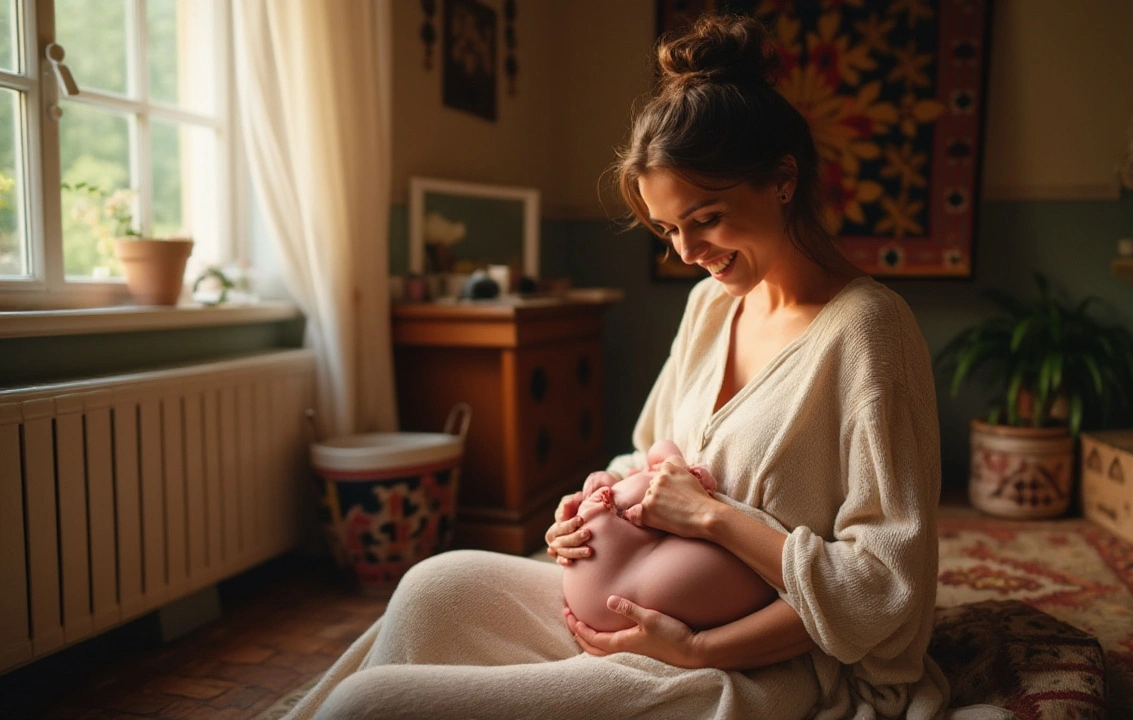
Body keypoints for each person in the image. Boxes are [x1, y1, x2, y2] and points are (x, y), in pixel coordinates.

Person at [285, 12, 970, 720]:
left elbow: (886, 589)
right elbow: (645, 455)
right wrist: (588, 507)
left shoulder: (868, 332)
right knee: (435, 586)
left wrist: (702, 603)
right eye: (670, 228)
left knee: (365, 707)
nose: (686, 251)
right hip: (640, 620)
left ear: (783, 180)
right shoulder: (711, 306)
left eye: (704, 217)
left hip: (766, 663)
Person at [562, 439, 776, 633]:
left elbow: (660, 450)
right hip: (616, 621)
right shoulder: (647, 480)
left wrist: (696, 649)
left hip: (755, 598)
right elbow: (651, 447)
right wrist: (609, 478)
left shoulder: (662, 486)